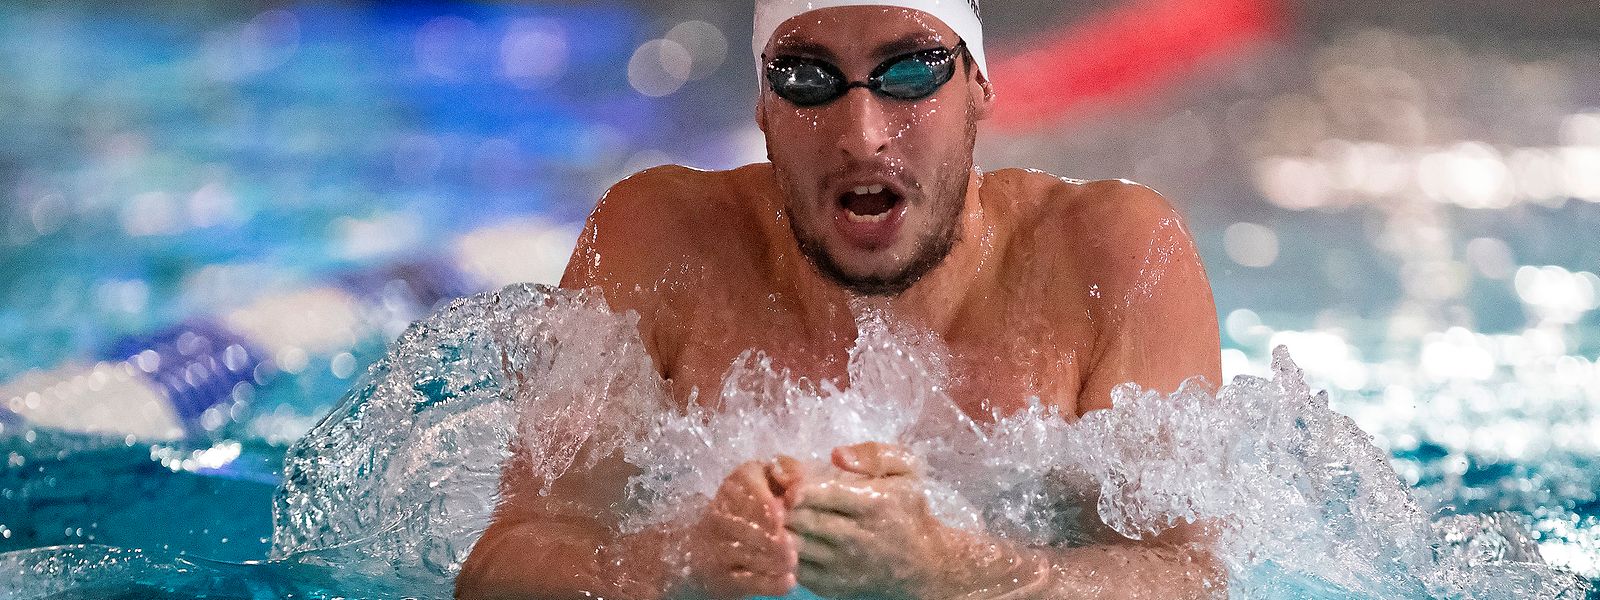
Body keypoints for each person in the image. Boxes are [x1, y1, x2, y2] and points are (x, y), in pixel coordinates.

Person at [458, 0, 1223, 598]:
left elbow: (1193, 579)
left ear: (981, 86)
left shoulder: (1110, 258)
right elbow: (500, 566)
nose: (861, 135)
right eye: (806, 78)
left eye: (912, 72)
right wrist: (668, 565)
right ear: (761, 106)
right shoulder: (661, 245)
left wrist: (956, 575)